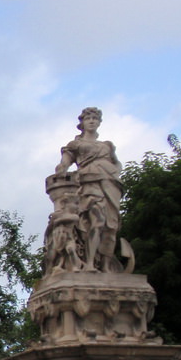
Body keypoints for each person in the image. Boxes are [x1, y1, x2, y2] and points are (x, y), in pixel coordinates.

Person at [55, 107, 123, 272]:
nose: (92, 121)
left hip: (110, 184)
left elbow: (117, 164)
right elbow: (65, 163)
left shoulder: (107, 145)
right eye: (88, 118)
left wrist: (115, 172)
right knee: (97, 221)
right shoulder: (76, 144)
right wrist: (61, 170)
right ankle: (90, 263)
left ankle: (106, 265)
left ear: (99, 122)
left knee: (110, 227)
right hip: (89, 184)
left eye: (95, 118)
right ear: (82, 123)